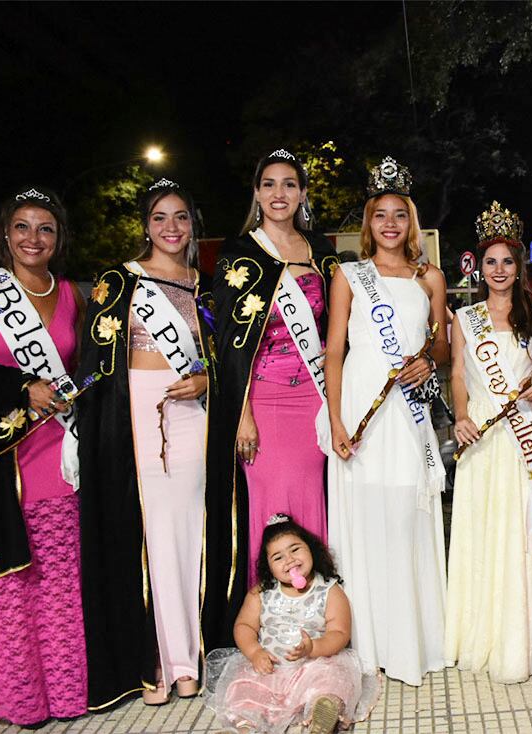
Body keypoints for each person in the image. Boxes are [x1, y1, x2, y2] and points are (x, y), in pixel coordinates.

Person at [77, 179, 213, 707]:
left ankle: (188, 657)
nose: (172, 228)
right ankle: (156, 656)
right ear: (145, 225)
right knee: (150, 536)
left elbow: (221, 356)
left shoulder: (206, 282)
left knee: (187, 535)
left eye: (181, 217)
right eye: (160, 218)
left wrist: (205, 380)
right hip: (134, 412)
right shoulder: (121, 281)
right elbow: (95, 363)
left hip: (191, 414)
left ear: (193, 223)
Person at [204, 149, 338, 649]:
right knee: (271, 509)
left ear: (303, 193)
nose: (279, 193)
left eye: (289, 184)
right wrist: (242, 415)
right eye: (268, 184)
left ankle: (319, 627)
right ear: (257, 193)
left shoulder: (320, 250)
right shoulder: (240, 253)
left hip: (314, 401)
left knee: (313, 506)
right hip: (261, 401)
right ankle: (269, 630)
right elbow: (229, 347)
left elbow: (333, 331)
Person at [324, 157, 450, 686]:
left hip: (409, 411)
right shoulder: (349, 276)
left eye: (400, 214)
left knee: (406, 509)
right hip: (362, 405)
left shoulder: (431, 278)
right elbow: (333, 352)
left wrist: (429, 360)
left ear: (411, 222)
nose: (391, 224)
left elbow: (442, 346)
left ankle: (412, 639)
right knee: (367, 510)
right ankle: (370, 640)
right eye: (381, 215)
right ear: (368, 223)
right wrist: (334, 421)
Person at [0, 187, 88, 727]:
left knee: (62, 576)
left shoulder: (70, 294)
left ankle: (66, 694)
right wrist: (20, 386)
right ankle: (21, 700)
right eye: (22, 227)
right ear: (6, 235)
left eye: (45, 228)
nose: (33, 238)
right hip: (4, 457)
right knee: (12, 580)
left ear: (58, 237)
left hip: (59, 451)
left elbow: (85, 368)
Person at [445, 202, 532, 682]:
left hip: (524, 435)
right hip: (482, 432)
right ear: (479, 267)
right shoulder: (465, 317)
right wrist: (460, 415)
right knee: (485, 527)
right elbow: (457, 372)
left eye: (507, 261)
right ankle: (483, 628)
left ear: (520, 266)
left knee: (525, 528)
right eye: (490, 261)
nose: (499, 270)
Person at [204, 514, 380, 733]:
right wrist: (255, 652)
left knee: (334, 679)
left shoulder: (329, 590)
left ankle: (322, 712)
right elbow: (244, 626)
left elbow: (340, 632)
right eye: (278, 557)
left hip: (314, 665)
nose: (289, 560)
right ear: (268, 567)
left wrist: (314, 647)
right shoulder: (261, 593)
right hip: (271, 668)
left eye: (295, 549)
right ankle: (245, 724)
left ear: (311, 549)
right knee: (244, 689)